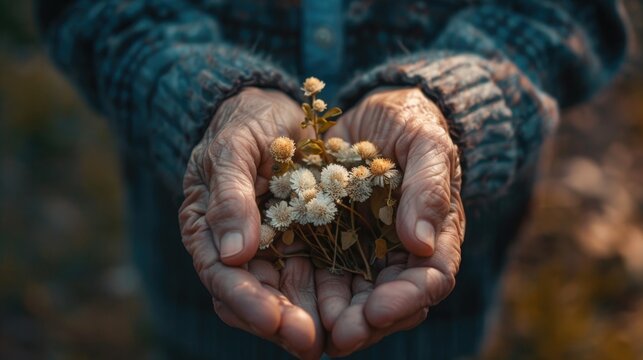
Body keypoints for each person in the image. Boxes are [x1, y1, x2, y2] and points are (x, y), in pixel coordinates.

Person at [35, 0, 627, 358]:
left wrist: (449, 104)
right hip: (201, 296)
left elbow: (572, 14)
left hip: (441, 316)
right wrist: (199, 97)